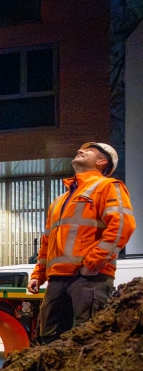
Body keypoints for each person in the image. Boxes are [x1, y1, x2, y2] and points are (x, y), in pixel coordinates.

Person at [27, 142, 135, 343]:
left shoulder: (108, 186)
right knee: (49, 340)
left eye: (89, 151)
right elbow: (47, 242)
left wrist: (92, 263)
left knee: (87, 339)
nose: (80, 151)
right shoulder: (59, 201)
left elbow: (122, 227)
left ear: (102, 162)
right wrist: (38, 274)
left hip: (90, 278)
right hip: (57, 280)